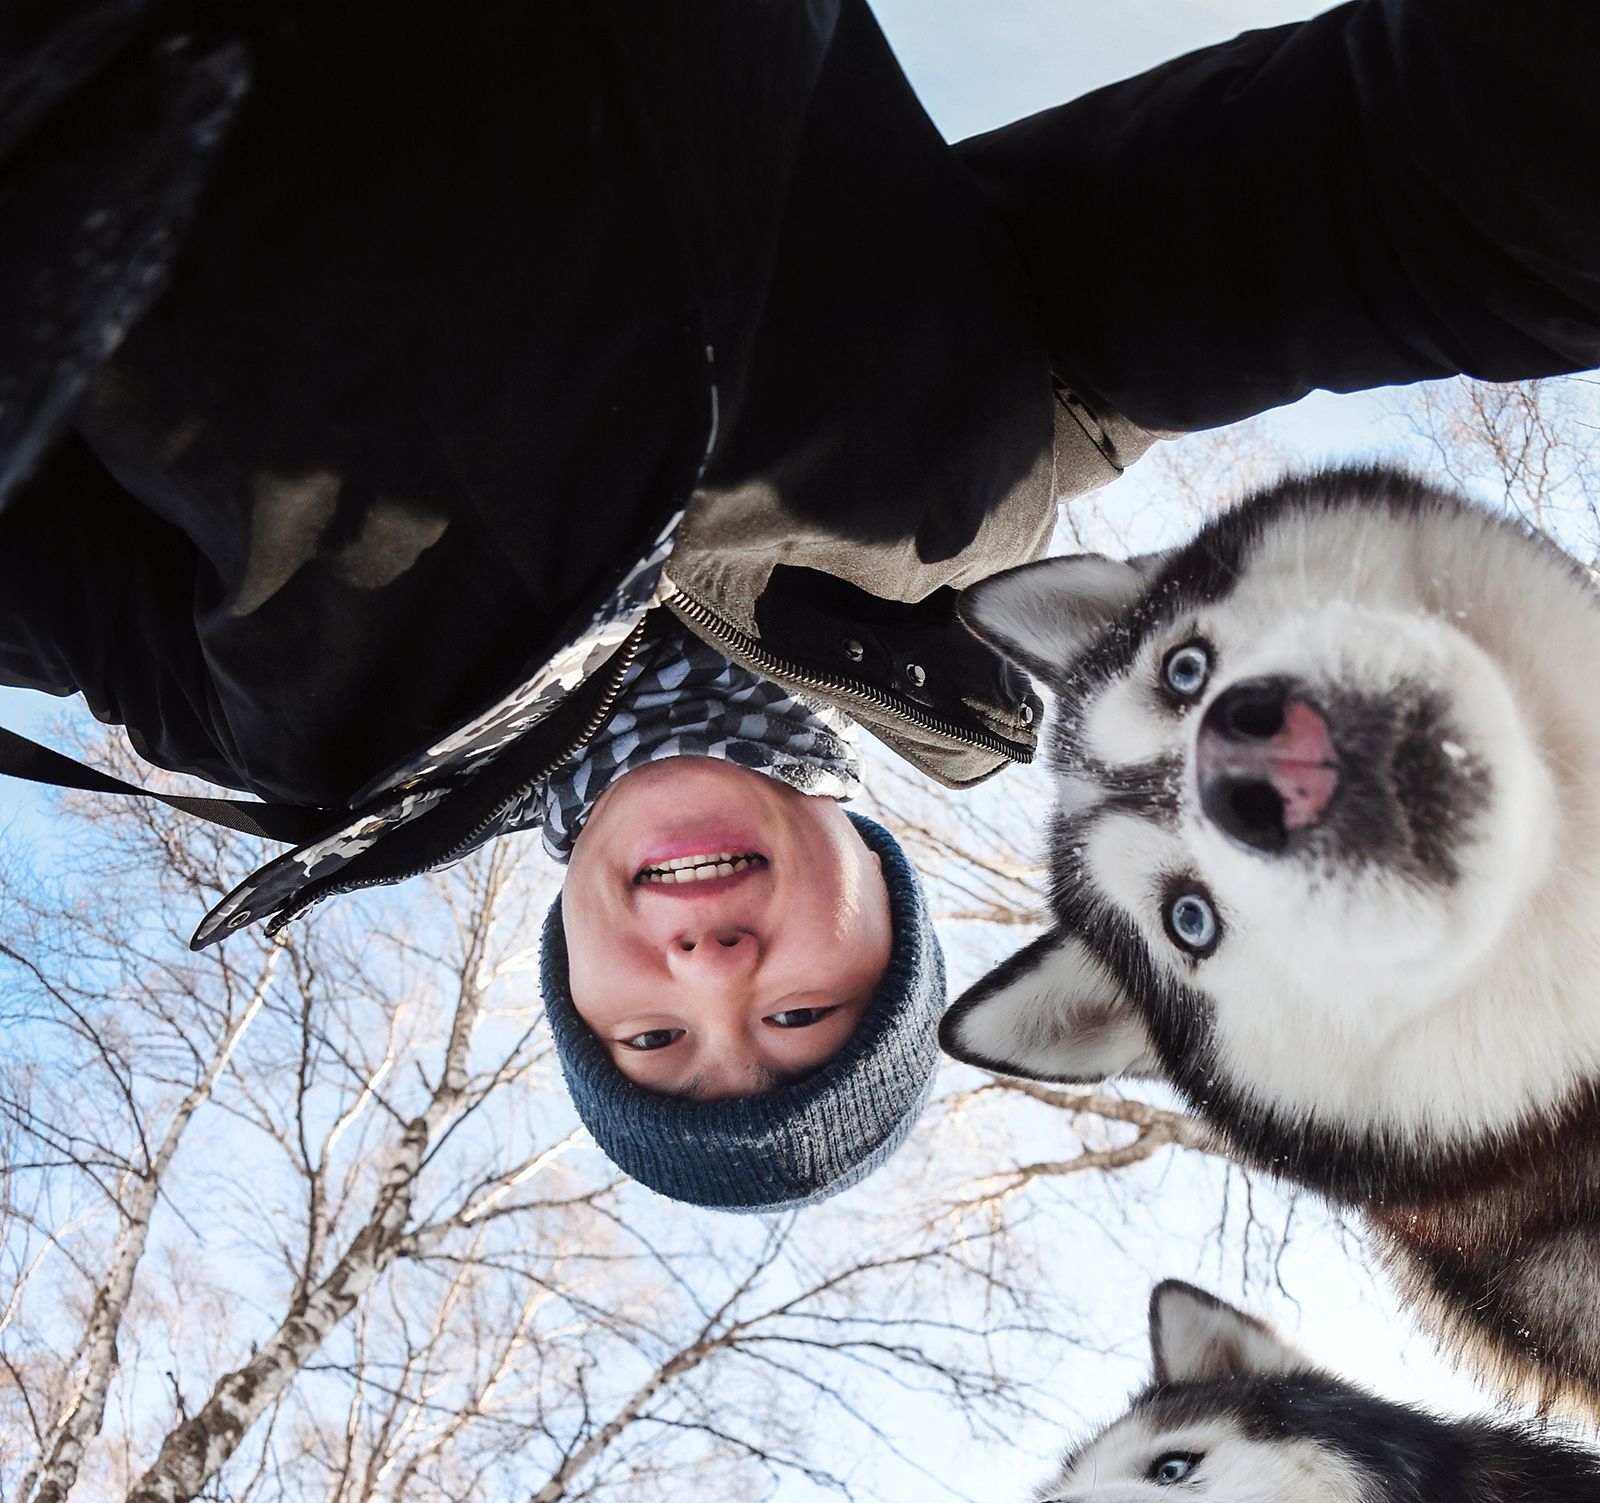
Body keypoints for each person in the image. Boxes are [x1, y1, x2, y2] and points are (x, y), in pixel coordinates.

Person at [1, 0, 1596, 1210]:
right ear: (886, 897)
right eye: (806, 1008)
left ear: (574, 978)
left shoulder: (308, 750)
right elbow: (1358, 202)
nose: (712, 969)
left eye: (651, 1040)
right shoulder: (970, 519)